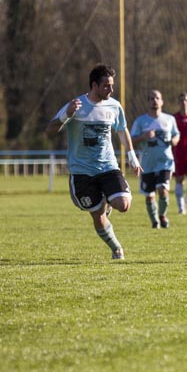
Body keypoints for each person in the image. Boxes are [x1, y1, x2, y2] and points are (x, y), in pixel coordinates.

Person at [46, 64, 142, 260]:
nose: (111, 89)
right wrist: (66, 115)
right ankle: (116, 249)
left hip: (108, 166)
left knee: (124, 204)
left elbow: (122, 130)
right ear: (94, 85)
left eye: (112, 85)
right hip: (82, 171)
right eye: (106, 85)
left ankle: (107, 199)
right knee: (98, 215)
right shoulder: (76, 105)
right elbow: (49, 131)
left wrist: (132, 156)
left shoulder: (114, 106)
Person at [130, 90, 180, 228]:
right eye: (151, 98)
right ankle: (154, 222)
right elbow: (131, 140)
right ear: (148, 102)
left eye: (157, 98)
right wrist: (144, 136)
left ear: (162, 101)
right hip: (147, 164)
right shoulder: (140, 121)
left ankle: (162, 216)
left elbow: (176, 134)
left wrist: (174, 140)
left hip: (165, 162)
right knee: (149, 195)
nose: (154, 101)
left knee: (163, 189)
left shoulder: (169, 119)